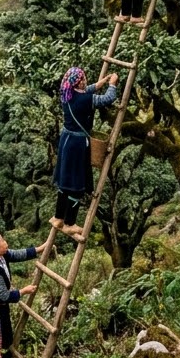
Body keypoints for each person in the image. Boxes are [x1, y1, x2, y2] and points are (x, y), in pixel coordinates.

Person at [53, 66, 119, 241]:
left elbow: (84, 92)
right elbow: (108, 99)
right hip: (77, 145)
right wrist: (112, 85)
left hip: (66, 141)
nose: (86, 81)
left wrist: (100, 83)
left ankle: (58, 217)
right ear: (79, 82)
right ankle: (69, 223)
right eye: (84, 79)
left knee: (64, 183)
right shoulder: (84, 100)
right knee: (76, 184)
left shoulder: (66, 93)